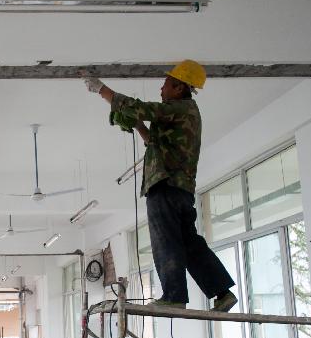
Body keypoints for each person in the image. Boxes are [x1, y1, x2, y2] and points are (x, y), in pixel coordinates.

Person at [85, 60, 237, 312]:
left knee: (165, 240)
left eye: (165, 84)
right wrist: (138, 126)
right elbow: (153, 140)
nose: (161, 89)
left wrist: (102, 89)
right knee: (190, 244)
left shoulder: (179, 108)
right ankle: (222, 292)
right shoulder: (183, 114)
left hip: (165, 185)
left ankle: (174, 297)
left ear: (179, 88)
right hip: (180, 188)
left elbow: (140, 107)